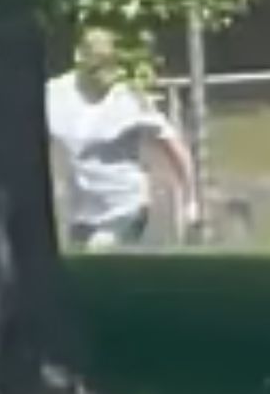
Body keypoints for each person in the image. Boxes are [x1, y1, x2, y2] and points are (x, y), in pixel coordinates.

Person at [45, 25, 200, 251]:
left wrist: (190, 199)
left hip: (126, 206)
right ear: (80, 58)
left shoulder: (129, 97)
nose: (104, 77)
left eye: (110, 66)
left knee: (98, 256)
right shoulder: (55, 94)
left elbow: (173, 145)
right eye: (97, 67)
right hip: (83, 211)